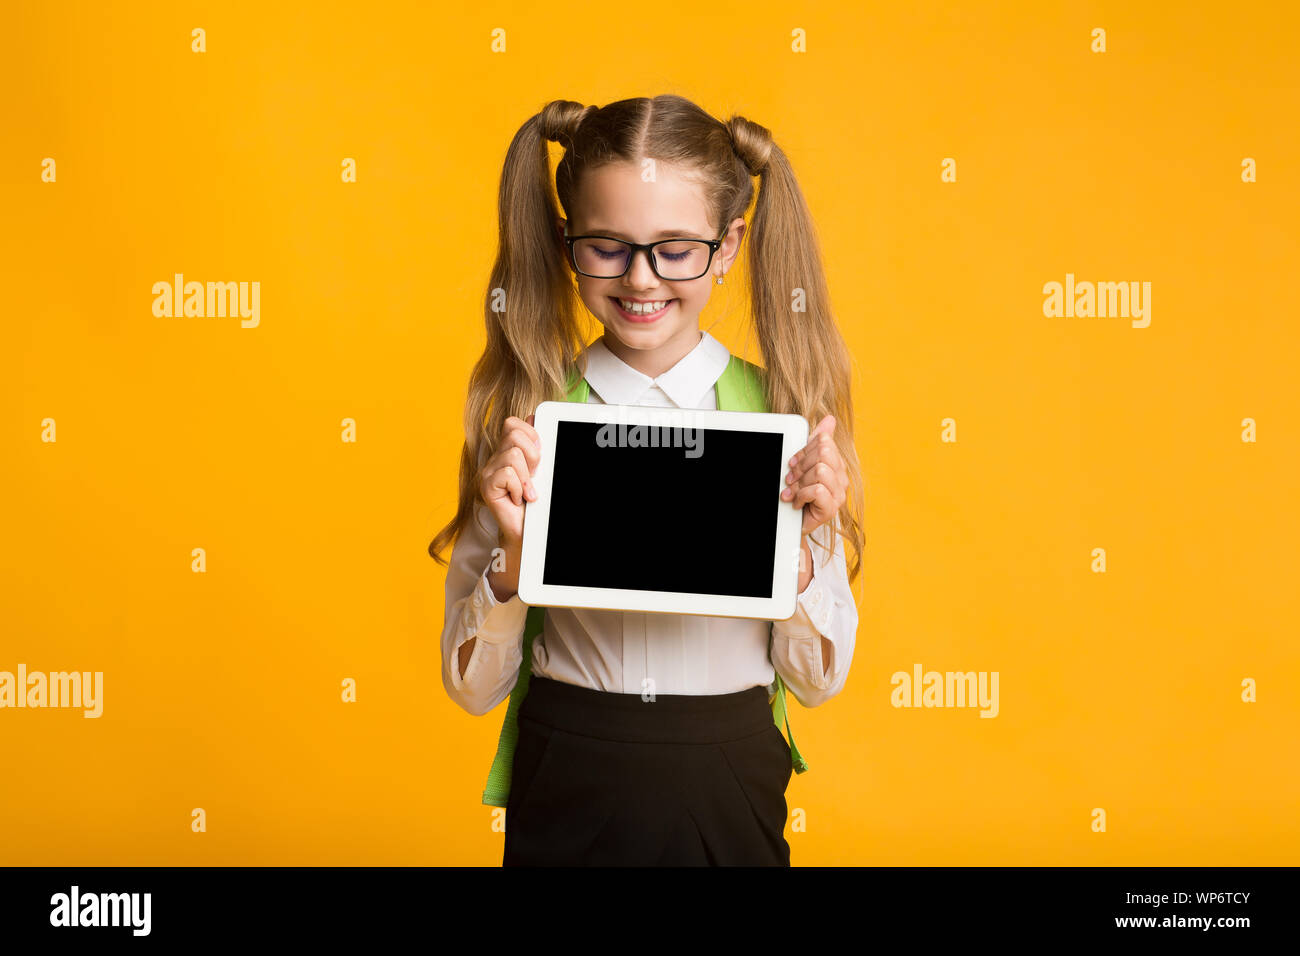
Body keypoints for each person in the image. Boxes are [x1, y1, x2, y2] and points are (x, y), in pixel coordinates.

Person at [429, 94, 865, 866]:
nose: (641, 278)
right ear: (567, 242)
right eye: (608, 246)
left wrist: (799, 562)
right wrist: (508, 560)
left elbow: (819, 683)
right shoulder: (530, 419)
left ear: (727, 245)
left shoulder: (783, 422)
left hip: (727, 769)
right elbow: (470, 690)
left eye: (674, 249)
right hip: (568, 764)